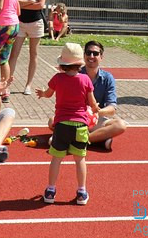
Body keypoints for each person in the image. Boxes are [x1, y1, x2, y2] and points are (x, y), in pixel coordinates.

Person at [35, 42, 98, 205]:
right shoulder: (85, 80)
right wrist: (96, 109)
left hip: (62, 124)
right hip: (80, 125)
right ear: (80, 63)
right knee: (80, 159)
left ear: (63, 63)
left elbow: (48, 94)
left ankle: (50, 190)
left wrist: (42, 93)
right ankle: (82, 192)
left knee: (56, 159)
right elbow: (92, 103)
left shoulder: (57, 78)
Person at [80, 40, 128, 149]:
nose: (91, 56)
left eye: (96, 53)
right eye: (88, 53)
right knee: (52, 121)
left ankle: (81, 140)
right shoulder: (76, 75)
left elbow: (112, 108)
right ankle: (100, 139)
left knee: (120, 125)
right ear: (84, 55)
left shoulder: (108, 78)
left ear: (101, 57)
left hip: (97, 119)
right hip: (77, 118)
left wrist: (96, 112)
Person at [9, 0, 47, 95]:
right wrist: (30, 2)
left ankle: (28, 85)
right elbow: (15, 2)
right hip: (21, 22)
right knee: (14, 54)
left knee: (33, 54)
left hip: (36, 23)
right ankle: (7, 82)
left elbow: (41, 5)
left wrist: (24, 4)